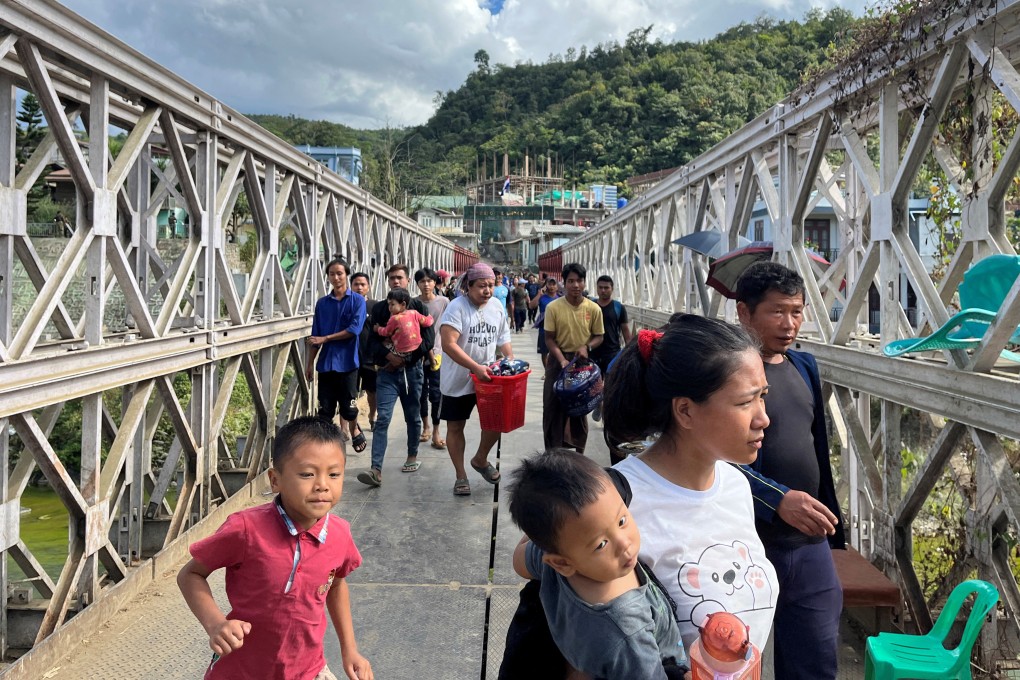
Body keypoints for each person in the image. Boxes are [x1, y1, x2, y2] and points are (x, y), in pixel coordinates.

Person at [606, 315, 778, 653]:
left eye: (763, 396)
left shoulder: (735, 485)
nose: (763, 418)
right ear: (685, 411)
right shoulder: (616, 502)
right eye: (745, 402)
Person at [177, 416, 372, 680]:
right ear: (275, 480)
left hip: (307, 670)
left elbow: (335, 585)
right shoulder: (246, 529)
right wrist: (215, 623)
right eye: (307, 474)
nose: (322, 485)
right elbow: (190, 574)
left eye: (334, 474)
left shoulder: (339, 534)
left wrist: (350, 650)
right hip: (243, 671)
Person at [734, 261, 844, 680]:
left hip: (807, 539)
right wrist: (776, 499)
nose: (789, 323)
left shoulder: (804, 365)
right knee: (731, 658)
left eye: (796, 311)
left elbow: (816, 445)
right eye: (776, 311)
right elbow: (711, 458)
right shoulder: (723, 373)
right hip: (747, 543)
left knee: (815, 657)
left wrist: (831, 526)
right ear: (744, 312)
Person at [508, 450, 688, 679]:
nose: (624, 543)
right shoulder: (628, 633)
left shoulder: (559, 555)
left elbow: (519, 561)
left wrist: (542, 532)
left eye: (621, 520)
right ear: (562, 563)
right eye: (601, 544)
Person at [439, 263, 513, 496]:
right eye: (481, 286)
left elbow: (503, 338)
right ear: (468, 286)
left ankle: (480, 459)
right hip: (457, 378)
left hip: (489, 378)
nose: (487, 290)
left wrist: (510, 359)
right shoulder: (456, 308)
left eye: (491, 285)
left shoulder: (497, 306)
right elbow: (448, 344)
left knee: (495, 422)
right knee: (455, 426)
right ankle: (461, 475)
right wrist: (474, 367)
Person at [360, 264, 433, 486]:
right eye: (392, 278)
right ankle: (376, 469)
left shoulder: (418, 307)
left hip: (412, 372)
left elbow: (428, 340)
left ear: (408, 280)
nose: (396, 281)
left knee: (412, 416)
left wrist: (405, 359)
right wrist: (389, 357)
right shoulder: (381, 309)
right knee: (383, 418)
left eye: (400, 277)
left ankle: (412, 456)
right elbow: (371, 340)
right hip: (387, 373)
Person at [306, 259, 367, 453]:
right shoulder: (322, 304)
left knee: (349, 408)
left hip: (348, 363)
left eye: (339, 273)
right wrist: (309, 364)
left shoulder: (357, 301)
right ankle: (328, 447)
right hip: (326, 363)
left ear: (346, 275)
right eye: (332, 274)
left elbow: (354, 330)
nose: (336, 277)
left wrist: (326, 338)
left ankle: (354, 427)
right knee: (325, 411)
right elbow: (315, 336)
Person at [542, 263, 604, 454]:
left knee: (579, 408)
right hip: (557, 361)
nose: (575, 285)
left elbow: (599, 336)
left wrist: (587, 347)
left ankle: (578, 454)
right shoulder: (553, 307)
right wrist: (561, 360)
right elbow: (549, 339)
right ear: (564, 283)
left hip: (581, 362)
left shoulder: (593, 309)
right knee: (552, 407)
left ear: (584, 282)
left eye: (579, 281)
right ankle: (553, 454)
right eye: (571, 281)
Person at [589, 274, 632, 427]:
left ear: (612, 289)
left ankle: (606, 417)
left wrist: (630, 351)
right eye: (600, 287)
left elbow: (625, 330)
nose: (603, 290)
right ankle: (599, 403)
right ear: (596, 289)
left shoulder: (618, 307)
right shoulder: (590, 306)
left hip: (612, 353)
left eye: (606, 288)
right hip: (593, 352)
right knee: (595, 386)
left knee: (610, 386)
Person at [415, 267, 449, 451]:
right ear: (417, 284)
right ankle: (425, 426)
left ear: (435, 283)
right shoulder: (413, 303)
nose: (426, 284)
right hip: (418, 355)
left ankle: (436, 430)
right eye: (422, 281)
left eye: (429, 281)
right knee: (421, 393)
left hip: (438, 354)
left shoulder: (444, 302)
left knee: (436, 394)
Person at [350, 272, 378, 430]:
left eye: (363, 284)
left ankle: (372, 415)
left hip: (369, 356)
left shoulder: (375, 306)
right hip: (350, 356)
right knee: (350, 392)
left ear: (368, 287)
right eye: (356, 284)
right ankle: (351, 424)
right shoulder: (347, 304)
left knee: (371, 391)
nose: (359, 287)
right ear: (351, 286)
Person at [375, 288, 434, 359]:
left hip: (401, 350)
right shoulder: (414, 313)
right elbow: (427, 322)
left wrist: (378, 329)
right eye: (389, 304)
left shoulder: (394, 319)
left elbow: (387, 332)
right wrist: (430, 317)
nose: (389, 307)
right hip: (417, 347)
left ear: (403, 304)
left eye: (392, 304)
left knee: (383, 343)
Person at [530, 277, 561, 369]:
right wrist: (539, 294)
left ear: (557, 286)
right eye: (549, 284)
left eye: (553, 284)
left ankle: (554, 371)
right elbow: (531, 306)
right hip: (543, 330)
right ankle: (547, 371)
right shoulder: (542, 297)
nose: (551, 286)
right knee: (544, 353)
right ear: (546, 285)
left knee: (556, 351)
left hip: (557, 330)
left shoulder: (560, 299)